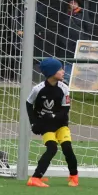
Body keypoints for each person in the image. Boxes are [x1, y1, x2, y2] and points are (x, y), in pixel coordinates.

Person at [25, 57, 79, 188]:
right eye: (60, 69)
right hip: (46, 126)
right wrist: (33, 123)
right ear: (51, 72)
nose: (63, 71)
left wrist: (53, 116)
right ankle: (35, 178)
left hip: (61, 125)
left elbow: (65, 110)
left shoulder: (64, 88)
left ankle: (74, 176)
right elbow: (28, 103)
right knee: (52, 149)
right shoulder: (38, 89)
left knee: (67, 148)